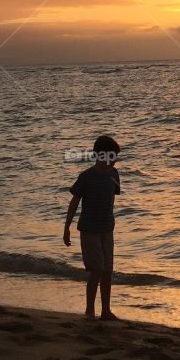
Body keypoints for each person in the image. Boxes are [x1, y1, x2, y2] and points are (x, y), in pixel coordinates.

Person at [64, 134, 121, 320]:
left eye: (115, 157)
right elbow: (74, 202)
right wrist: (67, 227)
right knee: (96, 270)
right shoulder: (86, 177)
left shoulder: (114, 175)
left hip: (107, 229)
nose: (113, 160)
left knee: (107, 270)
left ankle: (106, 310)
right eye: (111, 156)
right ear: (100, 155)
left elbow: (111, 198)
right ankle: (90, 310)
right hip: (89, 230)